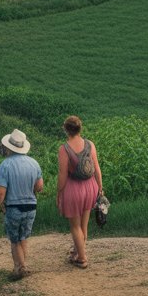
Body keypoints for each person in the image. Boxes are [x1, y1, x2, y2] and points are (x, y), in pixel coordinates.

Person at [0, 128, 43, 280]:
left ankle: (20, 268)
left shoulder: (5, 165)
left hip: (13, 207)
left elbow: (1, 192)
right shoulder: (34, 163)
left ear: (9, 147)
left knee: (14, 239)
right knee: (24, 237)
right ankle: (19, 266)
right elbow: (39, 186)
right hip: (31, 205)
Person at [56, 115, 102, 269]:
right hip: (90, 187)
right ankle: (77, 251)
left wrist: (59, 193)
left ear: (66, 129)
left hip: (74, 188)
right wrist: (100, 187)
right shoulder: (90, 144)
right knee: (84, 225)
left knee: (75, 226)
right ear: (80, 128)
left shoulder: (64, 149)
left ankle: (82, 258)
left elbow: (62, 175)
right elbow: (96, 168)